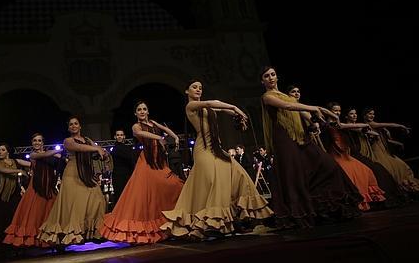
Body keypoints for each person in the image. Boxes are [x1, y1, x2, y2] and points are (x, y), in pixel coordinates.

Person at [161, 80, 273, 239]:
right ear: (187, 91)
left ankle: (235, 218)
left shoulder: (206, 108)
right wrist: (234, 107)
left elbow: (219, 107)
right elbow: (214, 102)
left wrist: (237, 114)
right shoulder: (191, 106)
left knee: (238, 173)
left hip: (216, 149)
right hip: (203, 149)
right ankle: (209, 223)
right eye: (195, 87)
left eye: (200, 87)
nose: (198, 90)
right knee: (213, 182)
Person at [260, 66, 361, 228]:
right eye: (266, 76)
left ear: (277, 77)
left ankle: (323, 206)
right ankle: (301, 212)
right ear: (262, 80)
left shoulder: (287, 97)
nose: (271, 78)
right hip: (284, 139)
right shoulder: (267, 97)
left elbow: (300, 112)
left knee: (327, 165)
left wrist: (316, 120)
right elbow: (289, 107)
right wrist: (315, 108)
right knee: (294, 175)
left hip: (299, 137)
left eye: (273, 74)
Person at [101, 101, 184, 243]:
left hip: (159, 161)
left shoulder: (152, 122)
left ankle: (170, 222)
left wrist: (175, 136)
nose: (142, 111)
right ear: (135, 113)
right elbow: (139, 133)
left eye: (144, 109)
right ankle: (150, 226)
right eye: (139, 109)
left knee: (175, 184)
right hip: (147, 161)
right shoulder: (136, 126)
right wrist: (159, 138)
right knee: (149, 193)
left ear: (148, 111)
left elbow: (164, 128)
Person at [38, 115, 107, 245]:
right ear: (69, 128)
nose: (74, 126)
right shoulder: (68, 141)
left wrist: (102, 153)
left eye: (76, 123)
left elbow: (98, 151)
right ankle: (73, 235)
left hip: (87, 174)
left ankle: (94, 233)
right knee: (74, 205)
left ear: (80, 126)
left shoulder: (88, 140)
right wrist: (96, 148)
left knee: (98, 200)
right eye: (71, 124)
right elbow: (79, 148)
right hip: (72, 174)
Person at [322, 102, 386, 211]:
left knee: (366, 170)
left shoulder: (338, 122)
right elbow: (345, 126)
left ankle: (367, 199)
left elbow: (352, 128)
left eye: (339, 111)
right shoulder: (329, 124)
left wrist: (368, 130)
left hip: (346, 155)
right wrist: (364, 124)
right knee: (350, 174)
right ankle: (355, 201)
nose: (338, 112)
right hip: (336, 155)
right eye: (335, 110)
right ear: (329, 112)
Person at [4, 133, 62, 247]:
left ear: (43, 143)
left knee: (48, 212)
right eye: (35, 140)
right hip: (35, 188)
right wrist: (58, 151)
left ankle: (48, 239)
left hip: (48, 188)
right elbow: (48, 155)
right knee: (34, 212)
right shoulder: (33, 155)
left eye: (39, 141)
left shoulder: (49, 155)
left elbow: (59, 159)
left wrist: (59, 155)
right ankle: (34, 240)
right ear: (32, 143)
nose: (37, 142)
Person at [344, 107, 409, 207]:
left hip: (364, 152)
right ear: (346, 116)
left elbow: (371, 132)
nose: (354, 115)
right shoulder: (349, 126)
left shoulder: (360, 126)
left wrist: (379, 132)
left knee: (381, 170)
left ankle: (388, 196)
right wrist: (398, 125)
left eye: (355, 113)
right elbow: (361, 129)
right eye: (352, 114)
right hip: (355, 153)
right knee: (377, 170)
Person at [362, 108, 419, 193]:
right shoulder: (369, 124)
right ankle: (401, 188)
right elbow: (389, 124)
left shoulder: (376, 126)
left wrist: (397, 143)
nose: (372, 116)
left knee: (401, 166)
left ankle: (406, 187)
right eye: (369, 114)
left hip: (384, 151)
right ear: (364, 115)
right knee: (393, 169)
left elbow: (383, 140)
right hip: (378, 152)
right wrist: (401, 126)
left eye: (373, 114)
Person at [110, 129, 136, 207]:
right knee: (120, 195)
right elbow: (131, 158)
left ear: (124, 136)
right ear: (115, 137)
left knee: (129, 195)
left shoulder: (127, 148)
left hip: (127, 174)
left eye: (121, 135)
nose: (119, 136)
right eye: (118, 135)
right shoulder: (115, 148)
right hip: (118, 175)